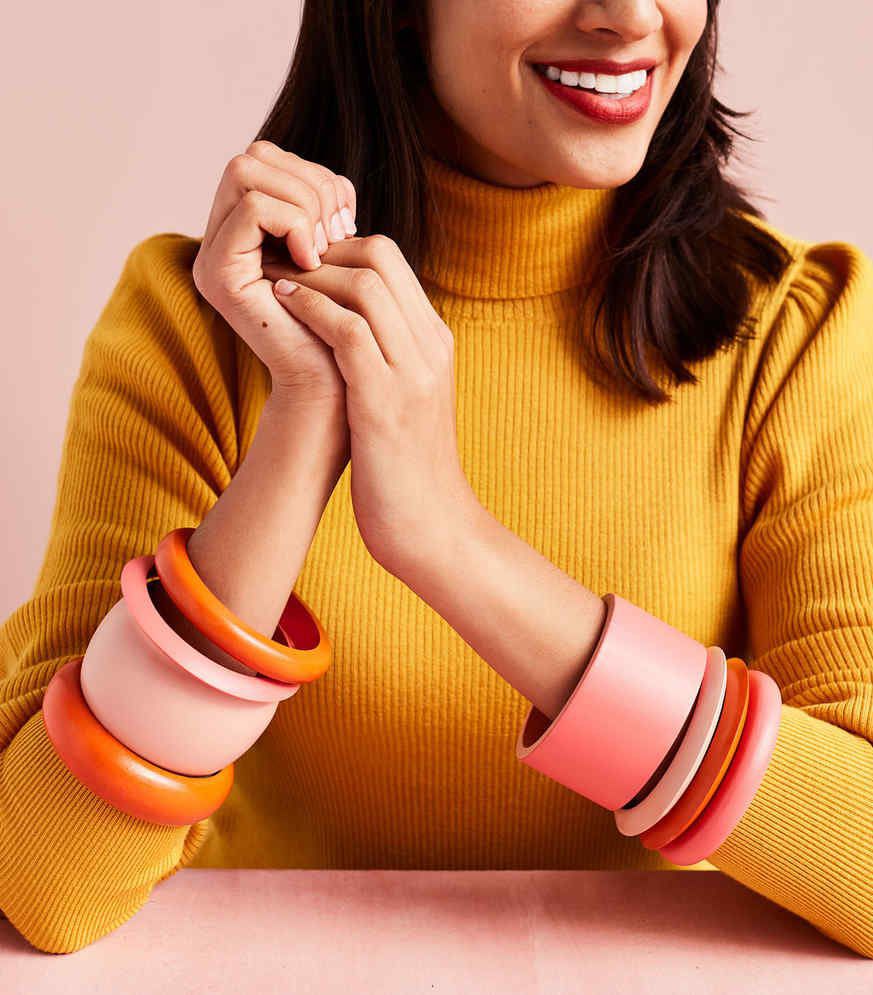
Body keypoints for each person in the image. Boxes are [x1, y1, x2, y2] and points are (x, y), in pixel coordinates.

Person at [2, 0, 872, 958]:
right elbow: (47, 879)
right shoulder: (197, 331)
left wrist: (451, 544)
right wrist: (304, 410)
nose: (630, 16)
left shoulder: (797, 337)